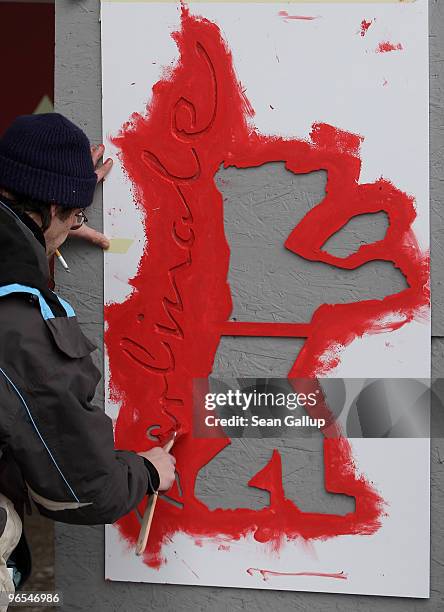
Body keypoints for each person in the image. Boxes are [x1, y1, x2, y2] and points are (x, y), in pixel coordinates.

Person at [0, 114, 176, 597]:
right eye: (76, 215)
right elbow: (83, 488)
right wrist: (145, 473)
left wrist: (41, 231)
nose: (78, 224)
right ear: (54, 206)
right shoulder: (23, 329)